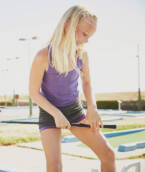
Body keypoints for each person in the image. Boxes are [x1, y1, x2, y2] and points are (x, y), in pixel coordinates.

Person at [29, 5, 115, 172]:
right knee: (54, 166)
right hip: (49, 113)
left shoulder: (82, 54)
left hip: (74, 111)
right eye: (84, 34)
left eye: (89, 36)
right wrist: (56, 114)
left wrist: (92, 108)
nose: (86, 40)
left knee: (108, 155)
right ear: (68, 24)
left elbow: (87, 83)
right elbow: (34, 92)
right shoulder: (43, 56)